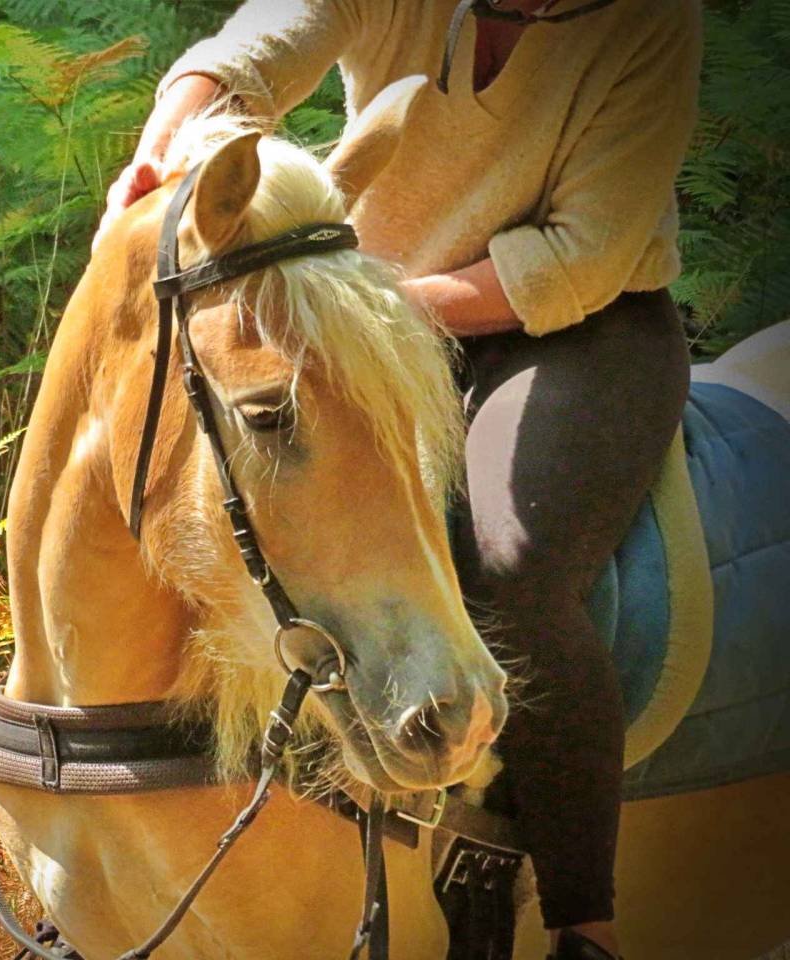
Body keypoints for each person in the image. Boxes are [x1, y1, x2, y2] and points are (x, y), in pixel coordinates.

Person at [96, 1, 703, 957]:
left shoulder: (651, 24)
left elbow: (581, 258)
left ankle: (583, 919)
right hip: (377, 309)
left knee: (511, 563)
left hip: (583, 330)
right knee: (277, 520)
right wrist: (161, 150)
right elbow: (250, 54)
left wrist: (355, 309)